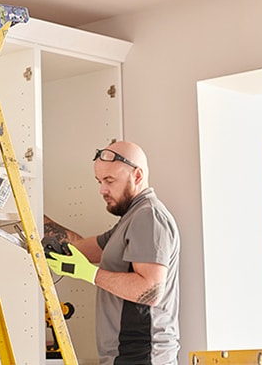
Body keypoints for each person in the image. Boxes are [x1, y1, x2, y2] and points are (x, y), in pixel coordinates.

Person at [43, 141, 180, 365]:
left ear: (137, 176)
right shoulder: (131, 219)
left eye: (109, 181)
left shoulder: (149, 217)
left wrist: (90, 274)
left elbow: (151, 290)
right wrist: (33, 214)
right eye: (99, 181)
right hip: (126, 357)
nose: (102, 190)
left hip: (143, 357)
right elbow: (79, 249)